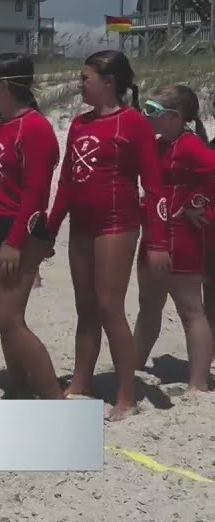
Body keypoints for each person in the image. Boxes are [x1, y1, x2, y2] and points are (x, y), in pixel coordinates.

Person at [48, 50, 168, 420]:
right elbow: (66, 182)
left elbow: (154, 185)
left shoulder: (132, 123)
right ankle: (82, 381)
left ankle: (126, 395)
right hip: (81, 225)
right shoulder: (79, 124)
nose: (80, 83)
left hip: (117, 223)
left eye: (86, 78)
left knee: (108, 306)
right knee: (85, 306)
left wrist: (158, 241)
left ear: (109, 82)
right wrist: (50, 230)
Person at [0, 54, 63, 400]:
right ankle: (18, 388)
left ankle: (54, 400)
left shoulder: (34, 127)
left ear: (5, 84)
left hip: (19, 230)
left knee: (9, 319)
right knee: (1, 318)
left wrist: (15, 242)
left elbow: (36, 194)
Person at [133, 85, 215, 394]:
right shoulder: (160, 145)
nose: (148, 117)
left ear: (176, 117)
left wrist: (198, 204)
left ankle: (198, 383)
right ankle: (134, 366)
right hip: (155, 233)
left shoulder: (189, 145)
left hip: (182, 237)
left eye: (153, 111)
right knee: (148, 306)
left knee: (190, 309)